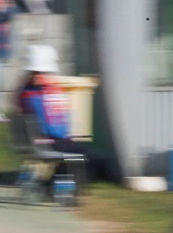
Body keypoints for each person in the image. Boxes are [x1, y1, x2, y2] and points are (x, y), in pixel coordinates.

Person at [16, 44, 106, 186]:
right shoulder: (41, 95)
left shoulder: (25, 93)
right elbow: (53, 128)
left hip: (42, 142)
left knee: (82, 152)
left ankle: (56, 182)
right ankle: (68, 186)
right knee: (91, 156)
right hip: (50, 142)